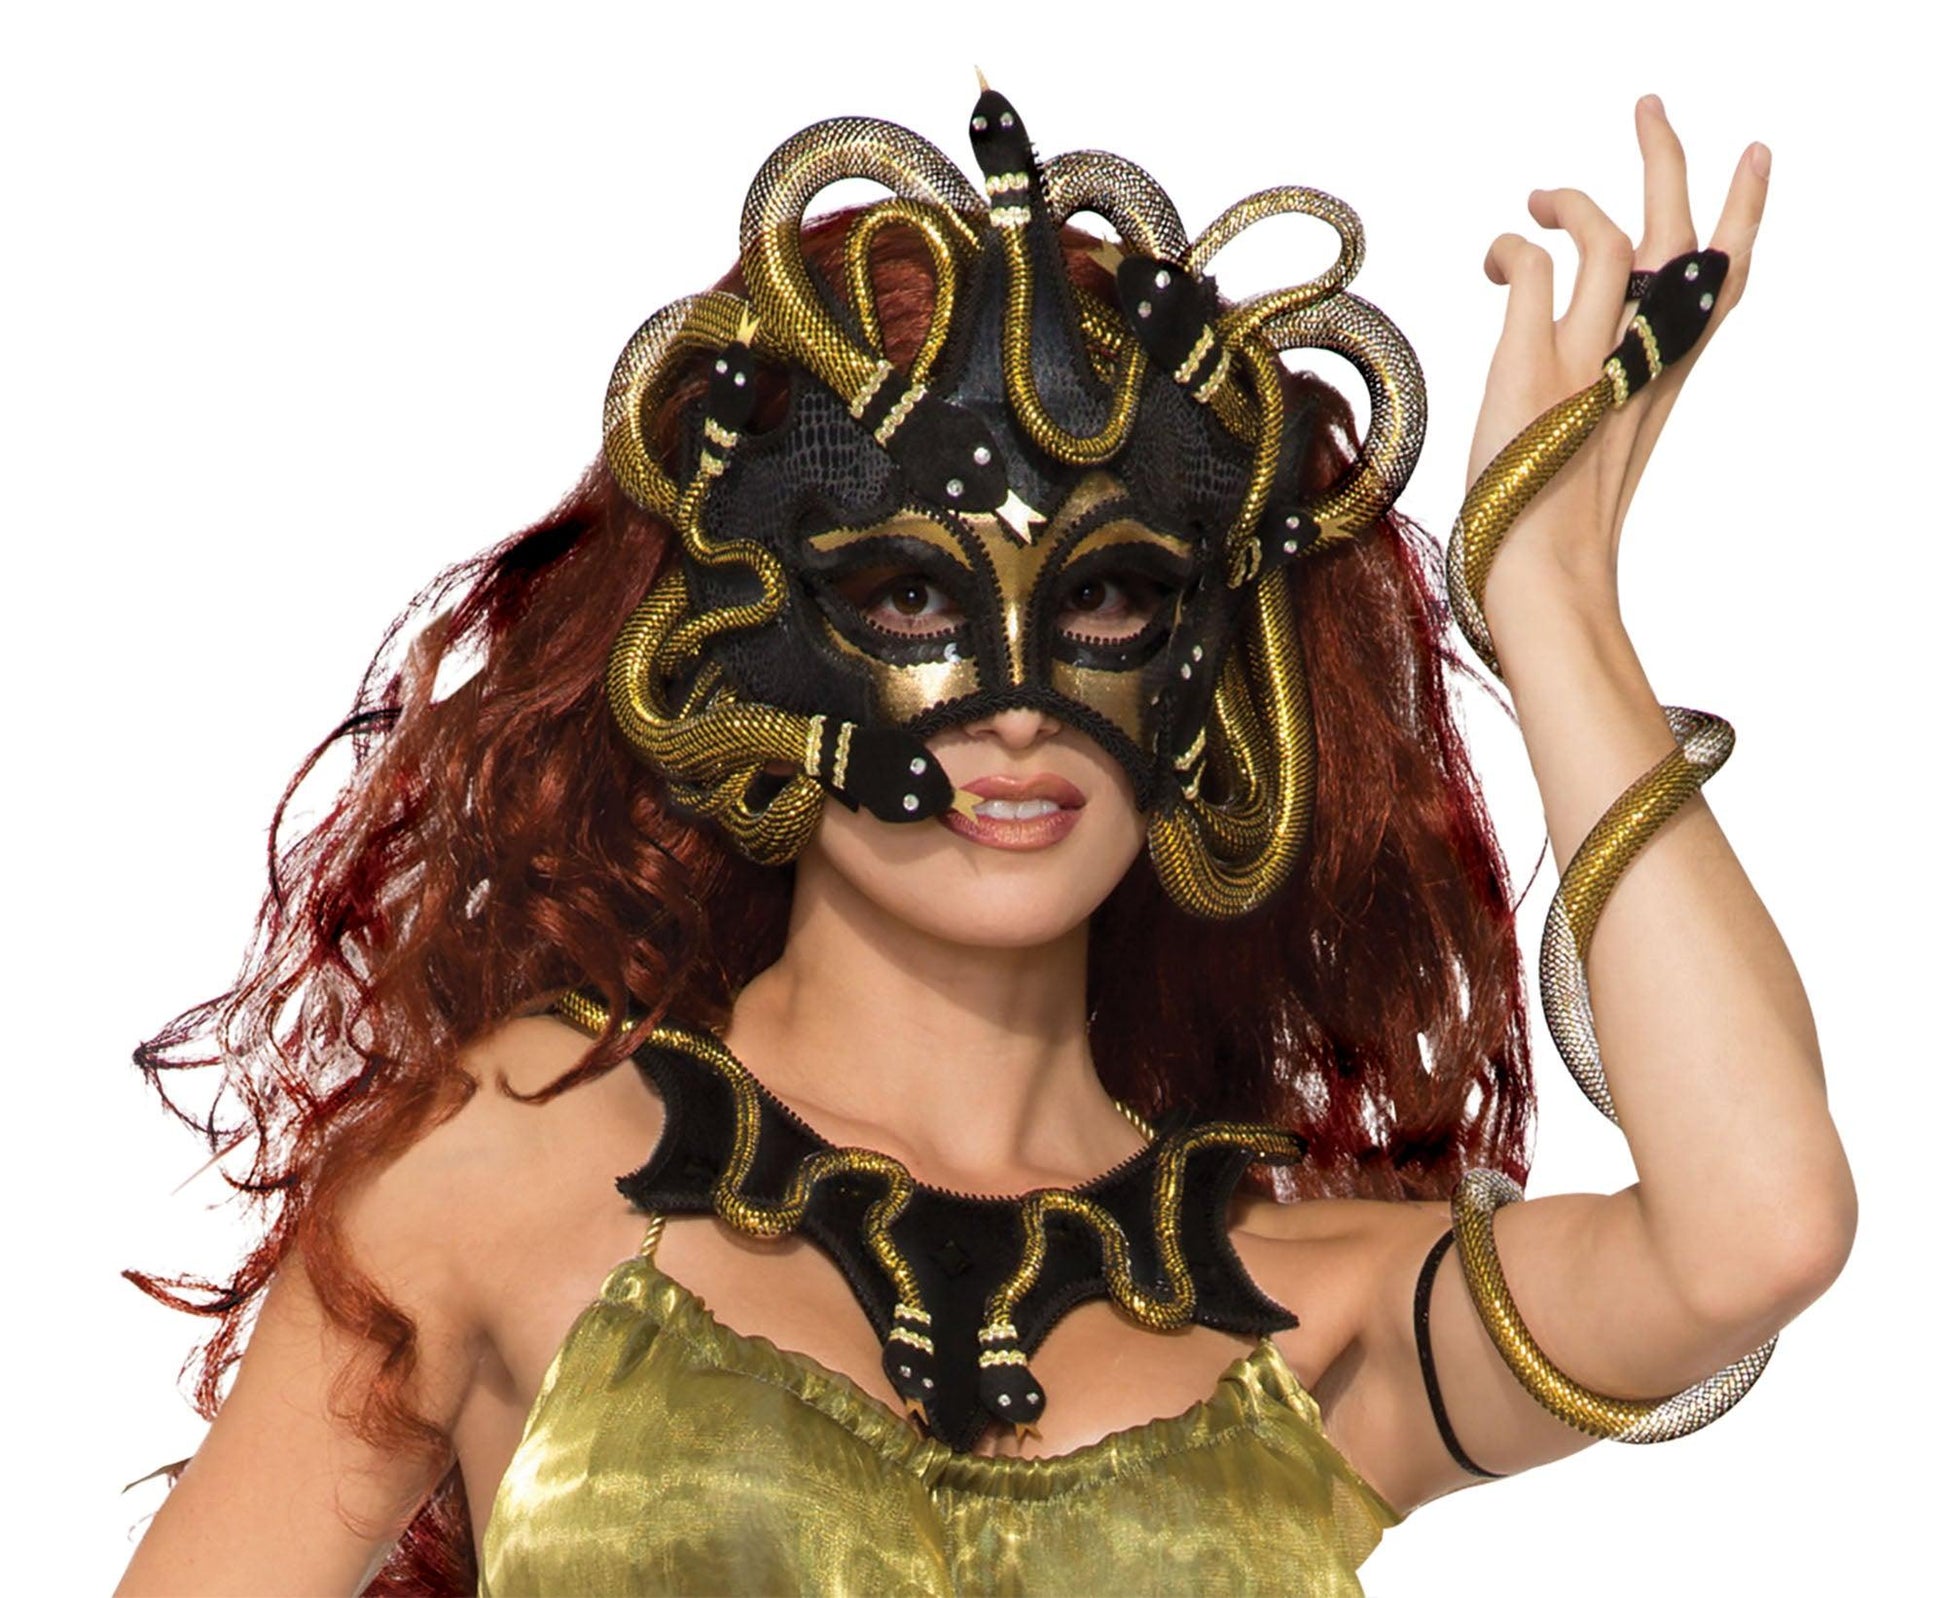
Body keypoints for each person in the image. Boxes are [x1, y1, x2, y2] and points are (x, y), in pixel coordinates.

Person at [115, 86, 1853, 1596]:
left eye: (1107, 597)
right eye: (905, 594)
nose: (1016, 710)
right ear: (732, 639)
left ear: (1210, 681)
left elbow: (1754, 1229)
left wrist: (1548, 599)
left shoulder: (1303, 1309)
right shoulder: (513, 1161)